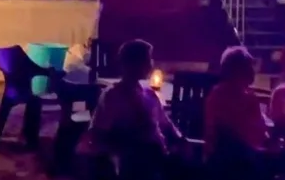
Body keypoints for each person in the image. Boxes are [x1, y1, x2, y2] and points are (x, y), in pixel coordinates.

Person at [88, 40, 184, 178]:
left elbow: (165, 122)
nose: (151, 64)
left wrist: (180, 139)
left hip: (156, 156)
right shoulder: (113, 95)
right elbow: (99, 133)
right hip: (133, 159)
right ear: (131, 64)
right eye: (147, 60)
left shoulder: (148, 93)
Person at [204, 47, 270, 175]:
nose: (253, 72)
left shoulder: (246, 96)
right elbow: (239, 135)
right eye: (249, 67)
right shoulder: (226, 96)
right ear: (238, 70)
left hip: (237, 157)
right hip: (235, 162)